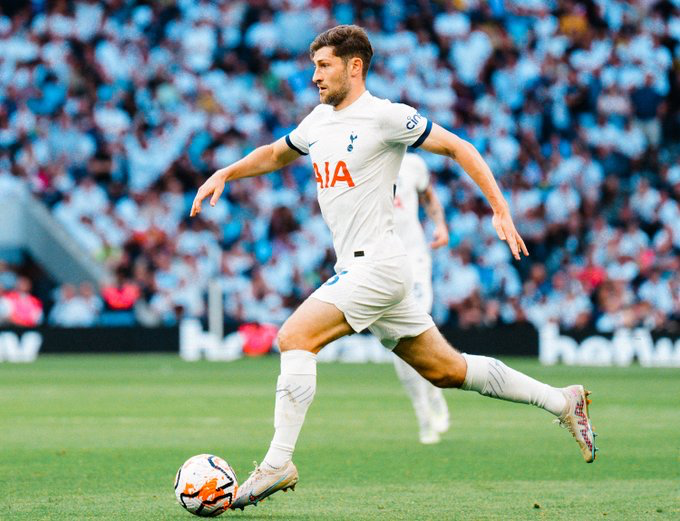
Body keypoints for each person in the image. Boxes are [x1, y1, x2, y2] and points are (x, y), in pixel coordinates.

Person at [190, 25, 597, 511]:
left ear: (353, 66)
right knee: (447, 371)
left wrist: (500, 209)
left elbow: (459, 147)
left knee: (295, 337)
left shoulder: (387, 117)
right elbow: (277, 153)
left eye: (324, 65)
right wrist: (227, 172)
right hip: (368, 269)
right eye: (314, 66)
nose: (315, 76)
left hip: (377, 266)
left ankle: (278, 462)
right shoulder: (319, 120)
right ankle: (561, 400)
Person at [392, 152, 451, 444]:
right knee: (396, 343)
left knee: (415, 329)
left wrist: (440, 224)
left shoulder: (412, 163)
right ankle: (424, 406)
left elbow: (427, 195)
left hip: (414, 259)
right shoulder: (358, 157)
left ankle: (433, 394)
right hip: (379, 264)